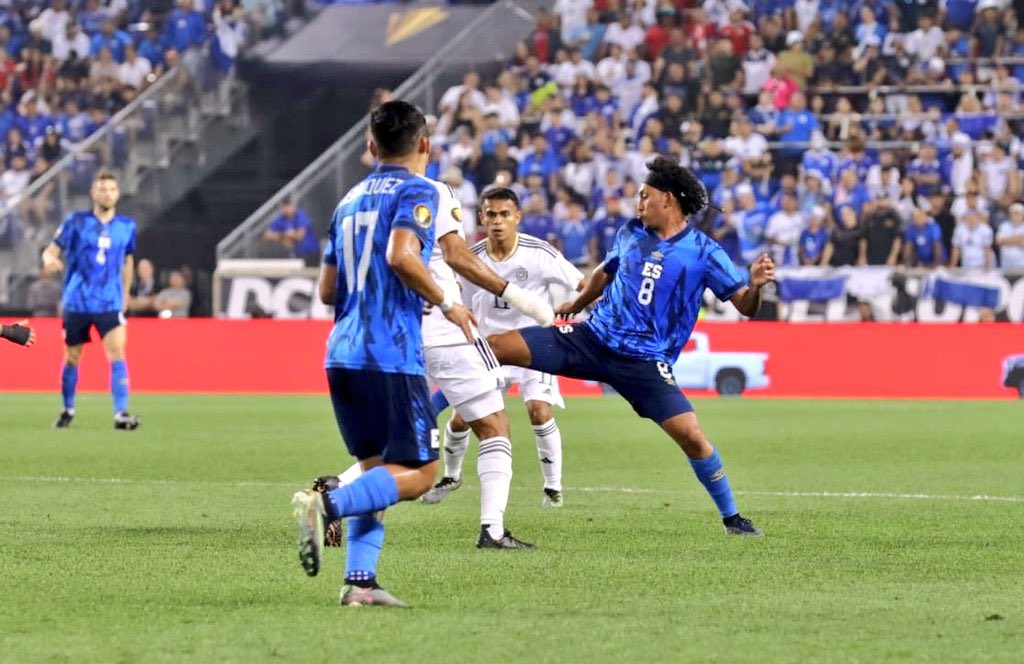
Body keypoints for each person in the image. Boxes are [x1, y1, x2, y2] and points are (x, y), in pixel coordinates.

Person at [486, 156, 772, 537]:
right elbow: (604, 273)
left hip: (645, 363)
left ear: (667, 200)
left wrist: (756, 286)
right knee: (493, 347)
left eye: (645, 196)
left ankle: (733, 517)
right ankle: (439, 416)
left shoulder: (705, 251)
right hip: (592, 340)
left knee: (692, 436)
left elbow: (745, 307)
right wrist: (577, 303)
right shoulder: (631, 232)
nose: (638, 203)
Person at [289, 100, 480, 608]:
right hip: (388, 354)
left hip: (342, 353)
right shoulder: (418, 190)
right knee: (418, 475)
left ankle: (360, 584)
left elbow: (328, 290)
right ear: (424, 145)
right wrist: (447, 303)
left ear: (371, 147)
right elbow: (401, 254)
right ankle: (328, 502)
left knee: (379, 471)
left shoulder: (346, 201)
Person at [424, 187, 584, 509]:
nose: (498, 221)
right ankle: (452, 476)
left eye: (505, 215)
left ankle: (553, 488)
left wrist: (581, 304)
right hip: (489, 349)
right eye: (492, 215)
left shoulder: (539, 253)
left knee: (539, 412)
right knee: (462, 420)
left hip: (533, 347)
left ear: (517, 218)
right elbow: (462, 304)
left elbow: (580, 282)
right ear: (481, 218)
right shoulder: (469, 259)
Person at [41, 171, 140, 430]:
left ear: (117, 193)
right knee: (73, 356)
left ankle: (121, 414)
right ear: (93, 193)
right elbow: (51, 249)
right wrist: (49, 260)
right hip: (77, 302)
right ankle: (67, 409)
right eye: (102, 189)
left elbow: (128, 260)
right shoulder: (76, 221)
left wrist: (126, 293)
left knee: (117, 352)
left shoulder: (126, 226)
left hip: (110, 302)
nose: (106, 193)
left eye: (111, 189)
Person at [263, 199, 320, 265]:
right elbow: (267, 235)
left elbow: (299, 236)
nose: (286, 210)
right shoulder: (281, 219)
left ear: (292, 206)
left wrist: (285, 237)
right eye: (284, 208)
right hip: (297, 253)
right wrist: (283, 235)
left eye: (288, 207)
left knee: (311, 273)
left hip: (311, 252)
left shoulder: (301, 215)